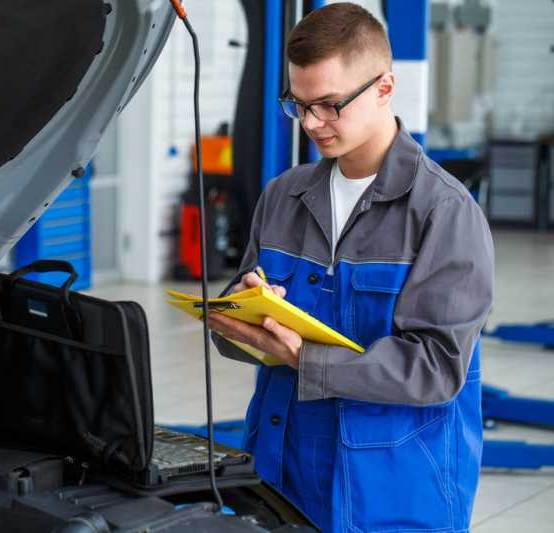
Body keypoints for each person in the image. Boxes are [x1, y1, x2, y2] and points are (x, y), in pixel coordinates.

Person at [208, 3, 494, 532]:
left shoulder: (444, 213)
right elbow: (243, 324)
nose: (313, 123)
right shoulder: (283, 197)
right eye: (299, 106)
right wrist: (235, 316)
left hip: (387, 490)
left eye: (329, 105)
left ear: (384, 88)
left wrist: (305, 359)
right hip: (279, 471)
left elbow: (436, 366)